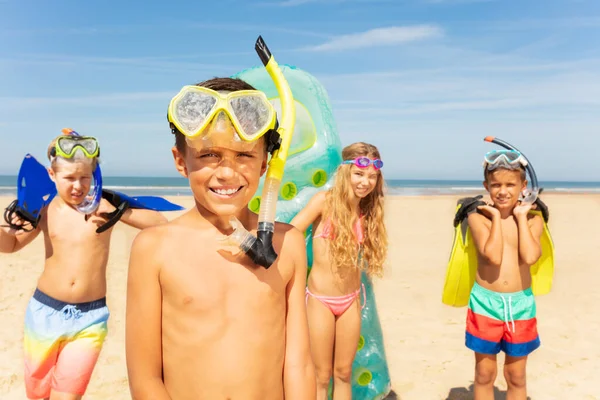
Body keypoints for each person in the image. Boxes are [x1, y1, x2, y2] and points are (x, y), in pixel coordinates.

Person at [125, 77, 315, 400]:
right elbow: (145, 378)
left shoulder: (288, 243)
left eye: (243, 155)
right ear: (181, 160)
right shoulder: (154, 249)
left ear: (265, 162)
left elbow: (298, 365)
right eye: (209, 154)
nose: (227, 173)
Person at [0, 130, 167, 400]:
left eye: (84, 178)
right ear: (52, 175)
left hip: (90, 319)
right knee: (38, 393)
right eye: (68, 178)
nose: (77, 186)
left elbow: (159, 224)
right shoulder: (43, 210)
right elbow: (11, 245)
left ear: (94, 175)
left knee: (66, 395)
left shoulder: (105, 206)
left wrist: (117, 213)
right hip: (44, 313)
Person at [290, 142, 388, 400]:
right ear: (345, 172)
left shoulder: (367, 209)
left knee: (344, 372)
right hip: (320, 300)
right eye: (359, 174)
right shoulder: (325, 201)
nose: (365, 182)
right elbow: (291, 233)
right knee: (322, 376)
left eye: (372, 177)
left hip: (351, 301)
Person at [465, 149, 544, 400]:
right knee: (484, 374)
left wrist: (521, 218)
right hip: (485, 303)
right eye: (496, 184)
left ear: (523, 186)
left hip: (521, 304)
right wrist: (497, 218)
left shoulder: (533, 219)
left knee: (516, 376)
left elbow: (531, 257)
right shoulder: (477, 217)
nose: (503, 191)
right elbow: (493, 255)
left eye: (510, 184)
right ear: (486, 185)